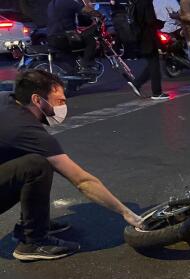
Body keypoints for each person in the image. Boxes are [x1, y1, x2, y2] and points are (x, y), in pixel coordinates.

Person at [0, 70, 142, 261]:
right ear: (37, 100)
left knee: (29, 158)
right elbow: (83, 181)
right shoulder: (25, 130)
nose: (64, 106)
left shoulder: (6, 100)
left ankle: (34, 223)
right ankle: (33, 240)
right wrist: (126, 213)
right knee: (37, 166)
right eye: (59, 101)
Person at [129, 0, 169, 100]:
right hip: (149, 37)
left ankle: (137, 83)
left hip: (142, 37)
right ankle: (157, 92)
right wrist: (161, 23)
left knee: (152, 64)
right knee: (154, 65)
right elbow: (150, 20)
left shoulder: (136, 3)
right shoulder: (146, 3)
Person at [46, 0, 99, 73]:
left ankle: (75, 68)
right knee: (91, 41)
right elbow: (84, 11)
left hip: (51, 36)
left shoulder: (51, 4)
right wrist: (98, 15)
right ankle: (86, 66)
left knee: (73, 49)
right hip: (66, 36)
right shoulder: (70, 2)